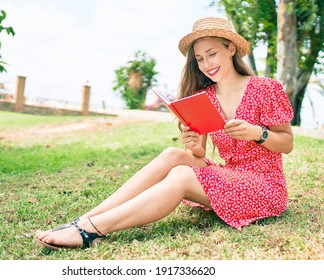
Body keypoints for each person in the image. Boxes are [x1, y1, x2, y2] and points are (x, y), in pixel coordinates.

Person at [34, 17, 294, 250]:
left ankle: (91, 230)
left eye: (212, 54)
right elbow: (199, 154)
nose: (206, 64)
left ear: (231, 49)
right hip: (230, 174)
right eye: (200, 59)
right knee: (173, 154)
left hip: (264, 186)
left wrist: (257, 133)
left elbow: (287, 143)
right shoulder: (205, 97)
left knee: (181, 175)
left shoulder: (266, 88)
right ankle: (84, 219)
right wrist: (193, 145)